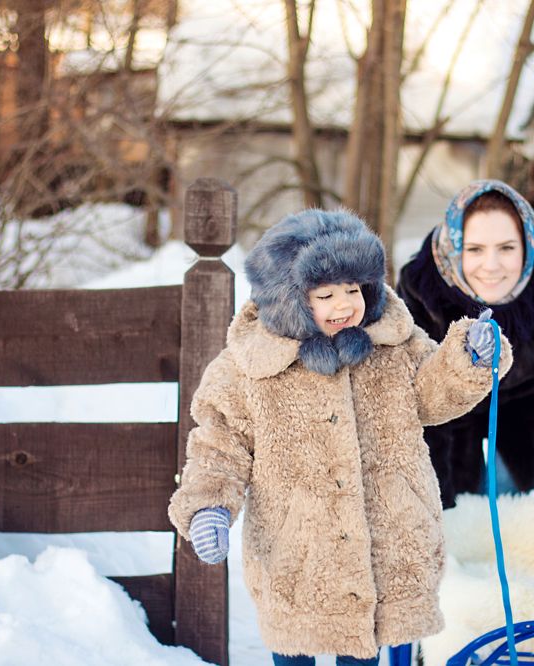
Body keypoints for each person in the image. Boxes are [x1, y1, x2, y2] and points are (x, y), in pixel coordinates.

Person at [168, 209, 513, 665]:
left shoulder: (392, 344)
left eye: (353, 290)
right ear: (288, 298)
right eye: (325, 294)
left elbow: (433, 393)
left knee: (366, 652)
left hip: (387, 543)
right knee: (295, 651)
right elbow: (219, 443)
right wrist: (208, 506)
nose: (344, 305)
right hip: (296, 554)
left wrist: (467, 357)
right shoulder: (247, 367)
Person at [396, 179, 534, 568]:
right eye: (475, 249)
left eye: (506, 248)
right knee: (458, 537)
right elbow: (417, 403)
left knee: (524, 537)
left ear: (527, 246)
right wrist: (430, 512)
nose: (491, 266)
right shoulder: (422, 287)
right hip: (449, 410)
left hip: (527, 408)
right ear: (454, 247)